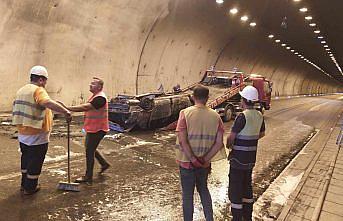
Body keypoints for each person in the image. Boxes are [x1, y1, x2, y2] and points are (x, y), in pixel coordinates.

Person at [12, 65, 71, 195]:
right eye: (44, 81)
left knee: (26, 158)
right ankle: (30, 187)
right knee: (36, 160)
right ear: (40, 80)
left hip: (23, 132)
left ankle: (24, 184)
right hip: (37, 134)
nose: (44, 84)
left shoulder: (22, 90)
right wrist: (65, 111)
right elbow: (47, 102)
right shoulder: (38, 90)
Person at [175, 85, 226, 221]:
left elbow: (182, 140)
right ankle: (209, 219)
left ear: (193, 97)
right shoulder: (216, 116)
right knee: (204, 190)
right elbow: (219, 143)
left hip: (186, 163)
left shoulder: (184, 113)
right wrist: (205, 160)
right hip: (204, 165)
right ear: (208, 98)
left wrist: (193, 159)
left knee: (187, 196)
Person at [226, 85, 265, 221]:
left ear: (244, 100)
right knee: (247, 186)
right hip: (250, 159)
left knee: (235, 190)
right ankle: (247, 217)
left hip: (237, 160)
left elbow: (231, 137)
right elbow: (262, 133)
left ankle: (237, 218)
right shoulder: (259, 115)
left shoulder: (242, 116)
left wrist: (229, 145)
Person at [61, 77, 110, 184]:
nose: (90, 85)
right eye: (90, 83)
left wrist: (68, 108)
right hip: (94, 128)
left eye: (93, 84)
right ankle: (104, 164)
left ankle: (88, 176)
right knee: (90, 148)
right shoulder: (95, 96)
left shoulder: (100, 98)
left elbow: (85, 107)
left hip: (98, 129)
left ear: (100, 87)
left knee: (89, 150)